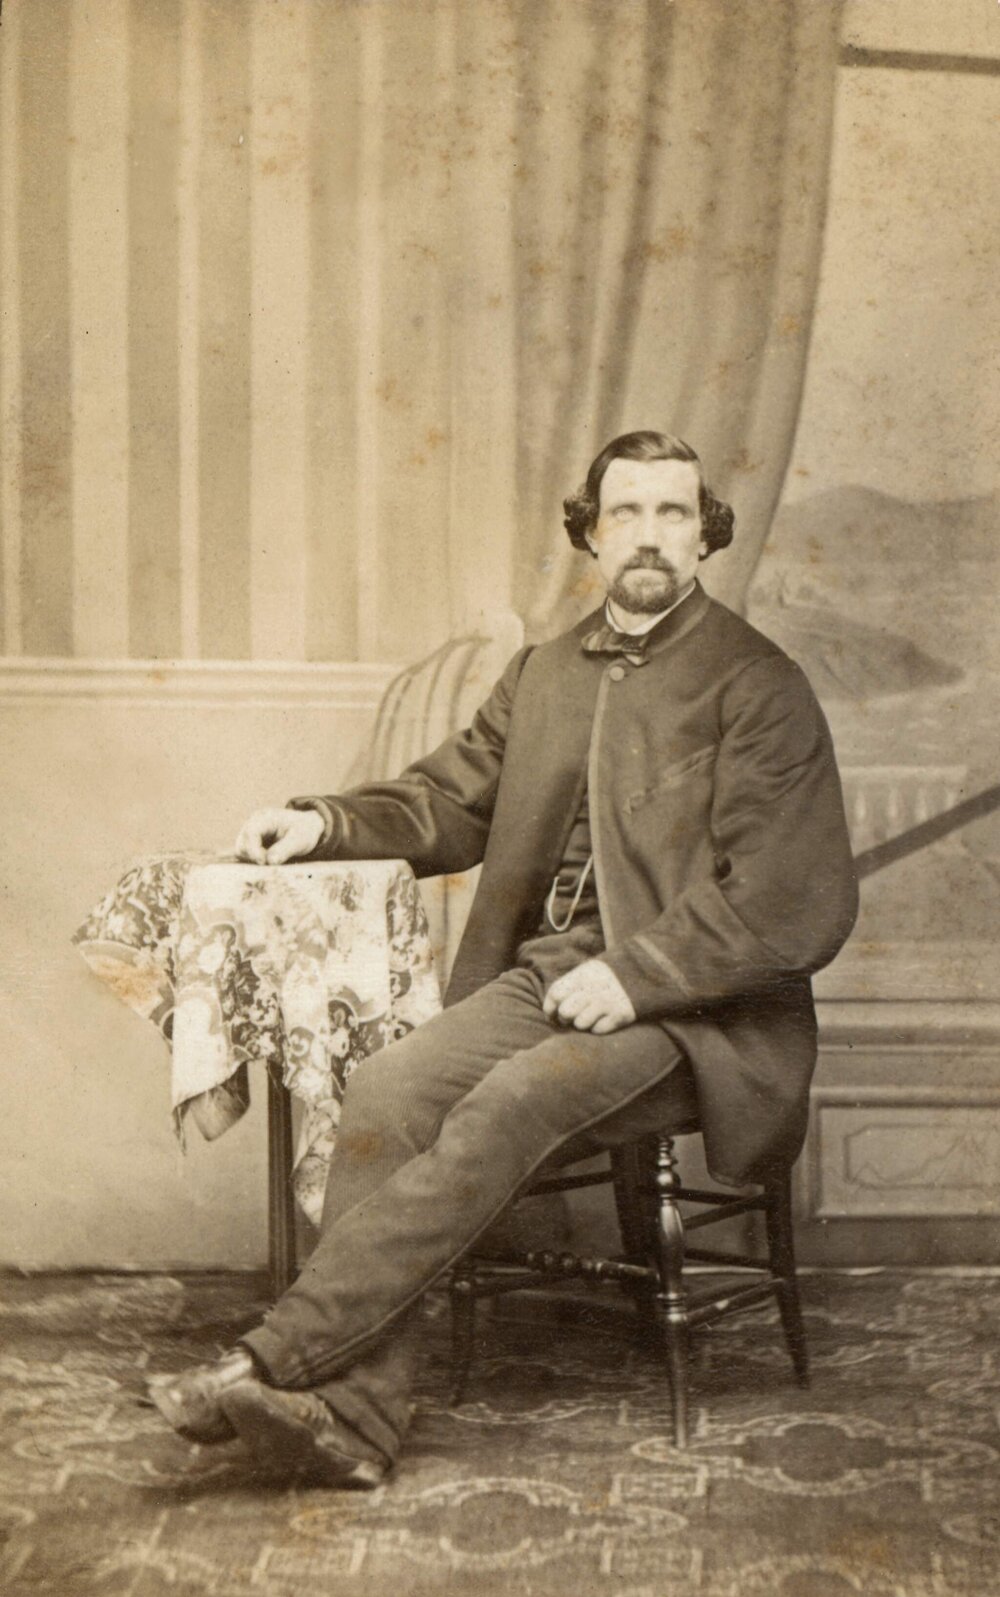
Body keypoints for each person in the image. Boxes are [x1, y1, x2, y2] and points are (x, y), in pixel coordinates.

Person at [148, 430, 858, 1487]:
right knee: (388, 1088)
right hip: (553, 975)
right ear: (589, 533)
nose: (649, 537)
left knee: (505, 1105)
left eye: (673, 513)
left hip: (699, 1008)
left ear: (706, 536)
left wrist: (635, 974)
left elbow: (789, 898)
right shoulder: (547, 672)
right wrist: (324, 821)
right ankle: (351, 1415)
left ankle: (278, 1357)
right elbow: (447, 798)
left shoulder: (758, 682)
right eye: (626, 514)